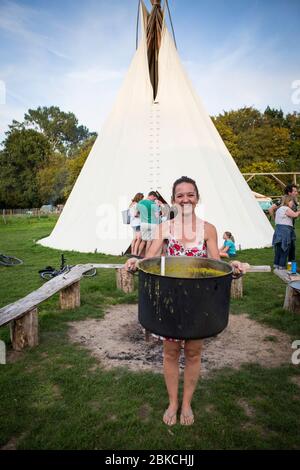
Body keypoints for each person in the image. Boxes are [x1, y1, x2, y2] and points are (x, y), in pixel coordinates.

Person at [126, 176, 246, 426]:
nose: (185, 199)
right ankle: (173, 402)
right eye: (180, 195)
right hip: (171, 300)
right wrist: (135, 262)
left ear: (197, 197)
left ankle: (187, 403)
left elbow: (216, 263)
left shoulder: (208, 229)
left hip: (199, 301)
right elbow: (150, 258)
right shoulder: (164, 228)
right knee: (170, 352)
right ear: (172, 200)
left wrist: (232, 264)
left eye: (190, 194)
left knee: (193, 352)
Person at [269, 184, 299, 262]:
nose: (297, 193)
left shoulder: (294, 201)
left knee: (291, 248)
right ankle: (286, 265)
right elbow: (271, 209)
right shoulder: (284, 199)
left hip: (290, 227)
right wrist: (276, 220)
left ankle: (291, 266)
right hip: (285, 228)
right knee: (285, 247)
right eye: (295, 191)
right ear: (289, 192)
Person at [272, 195, 300, 269]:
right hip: (286, 232)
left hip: (278, 231)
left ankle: (276, 265)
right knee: (286, 250)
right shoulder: (286, 208)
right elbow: (295, 215)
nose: (293, 204)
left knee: (278, 250)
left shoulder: (279, 209)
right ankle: (284, 267)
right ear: (288, 201)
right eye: (292, 202)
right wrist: (299, 211)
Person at [137, 191, 160, 256]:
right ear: (152, 196)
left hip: (143, 223)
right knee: (149, 241)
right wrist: (157, 206)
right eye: (154, 198)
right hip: (152, 224)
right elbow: (157, 216)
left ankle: (138, 255)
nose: (154, 200)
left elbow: (136, 214)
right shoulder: (153, 204)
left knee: (143, 240)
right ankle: (146, 256)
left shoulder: (140, 202)